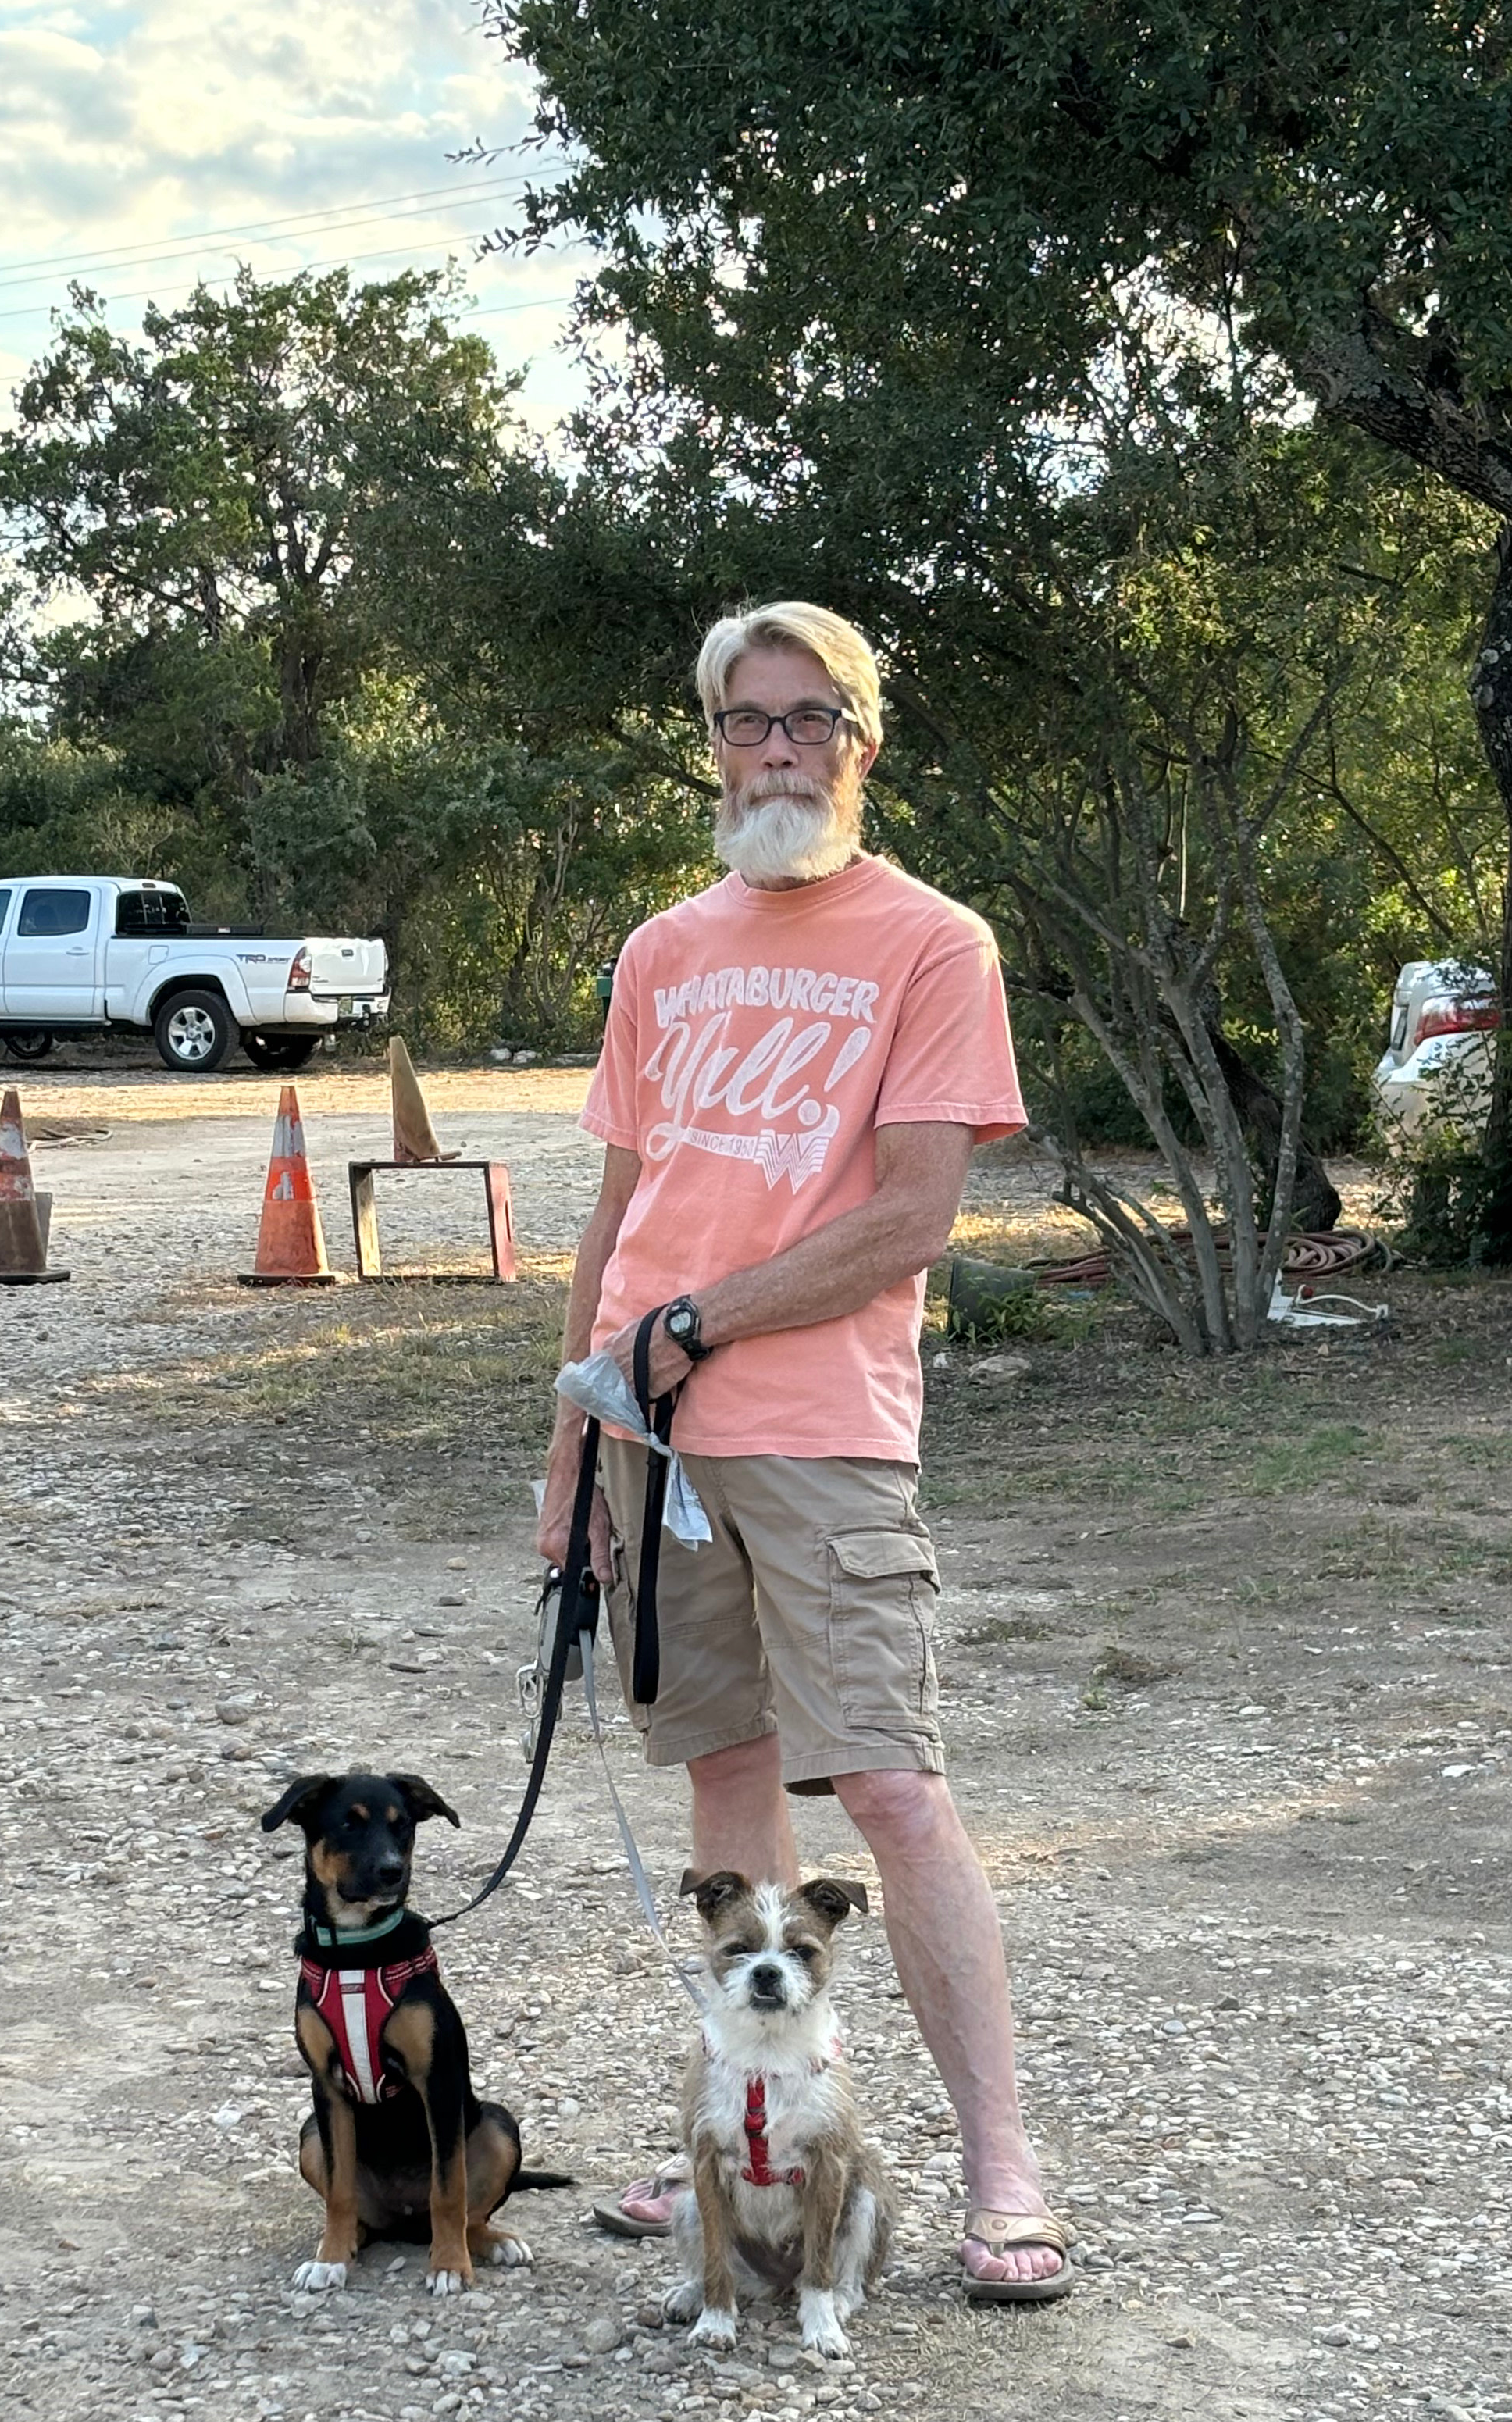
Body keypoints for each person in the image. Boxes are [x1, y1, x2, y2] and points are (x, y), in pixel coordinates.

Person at [537, 599, 1073, 2305]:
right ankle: (743, 2138)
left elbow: (912, 1215)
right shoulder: (659, 950)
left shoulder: (932, 943)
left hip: (823, 1431)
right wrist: (571, 1437)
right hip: (651, 1437)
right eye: (748, 721)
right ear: (712, 744)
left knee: (899, 1792)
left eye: (810, 719)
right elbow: (619, 1218)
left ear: (863, 741)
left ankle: (1005, 2170)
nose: (777, 748)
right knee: (725, 1790)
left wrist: (699, 1327)